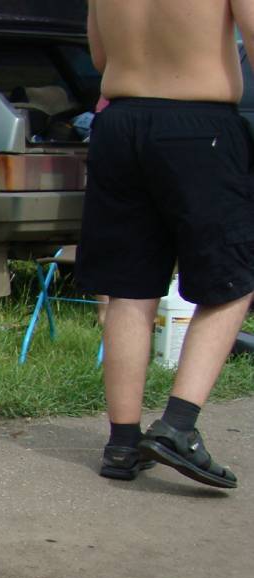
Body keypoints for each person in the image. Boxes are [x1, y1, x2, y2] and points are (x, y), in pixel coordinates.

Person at [78, 0, 254, 488]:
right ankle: (178, 426)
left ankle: (122, 444)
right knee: (234, 280)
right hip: (201, 127)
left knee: (128, 287)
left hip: (120, 125)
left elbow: (100, 57)